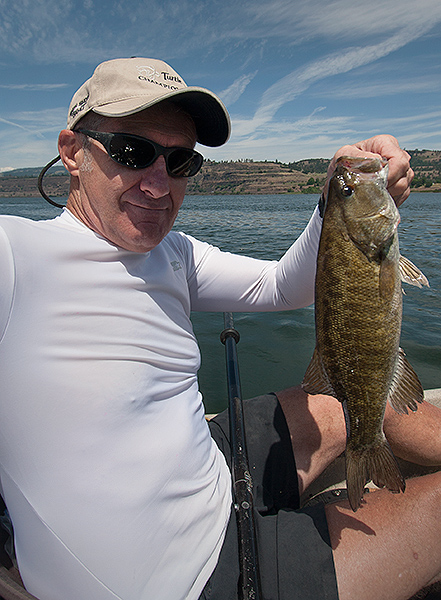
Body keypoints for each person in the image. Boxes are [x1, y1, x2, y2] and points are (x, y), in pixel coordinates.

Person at [0, 56, 439, 600]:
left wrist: (338, 197)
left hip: (208, 466)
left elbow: (283, 287)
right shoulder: (15, 256)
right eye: (134, 153)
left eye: (181, 161)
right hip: (200, 574)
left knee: (350, 401)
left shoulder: (175, 254)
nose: (159, 186)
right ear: (72, 152)